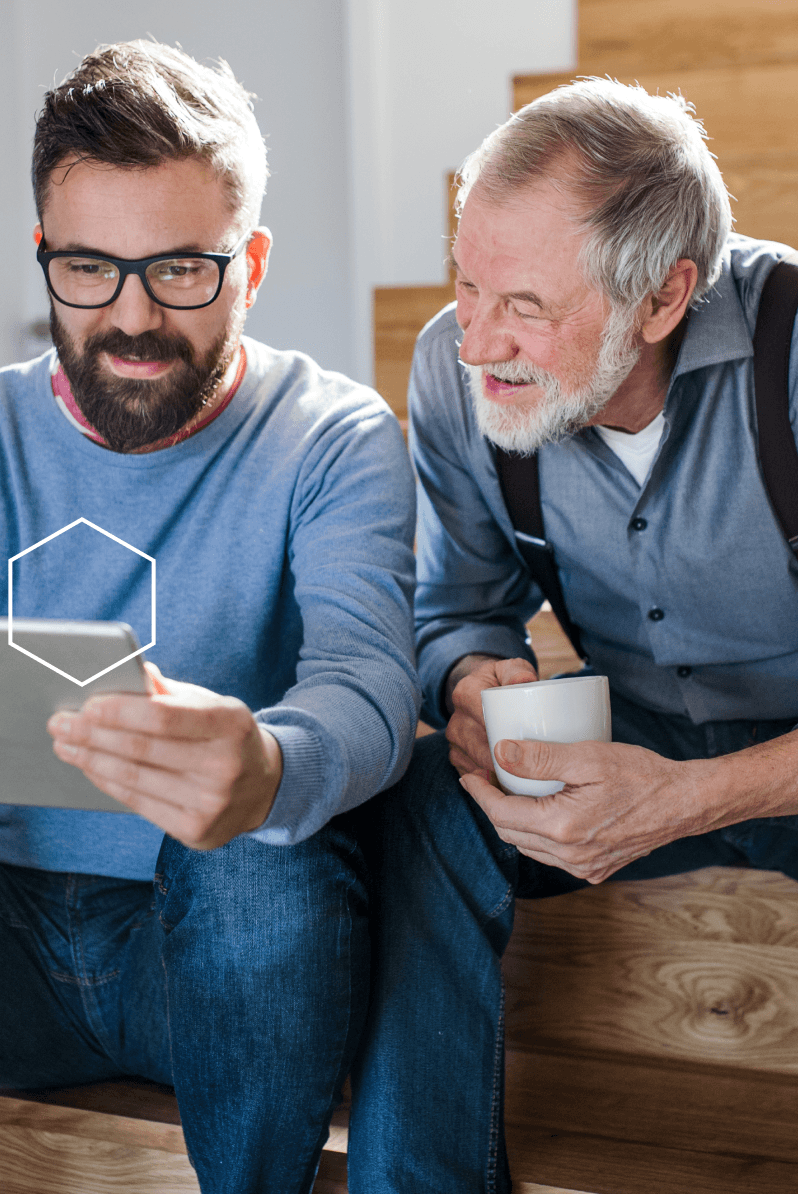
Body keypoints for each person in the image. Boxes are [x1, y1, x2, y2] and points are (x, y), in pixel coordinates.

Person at [0, 40, 419, 1193]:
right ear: (44, 259)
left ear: (251, 263)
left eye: (180, 271)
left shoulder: (336, 436)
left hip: (214, 957)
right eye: (89, 269)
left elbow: (369, 682)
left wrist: (271, 762)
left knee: (262, 854)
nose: (131, 319)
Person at [345, 78, 798, 1192]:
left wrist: (691, 797)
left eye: (526, 306)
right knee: (410, 801)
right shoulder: (465, 375)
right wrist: (468, 677)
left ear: (661, 297)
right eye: (464, 284)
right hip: (628, 730)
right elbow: (457, 607)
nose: (476, 338)